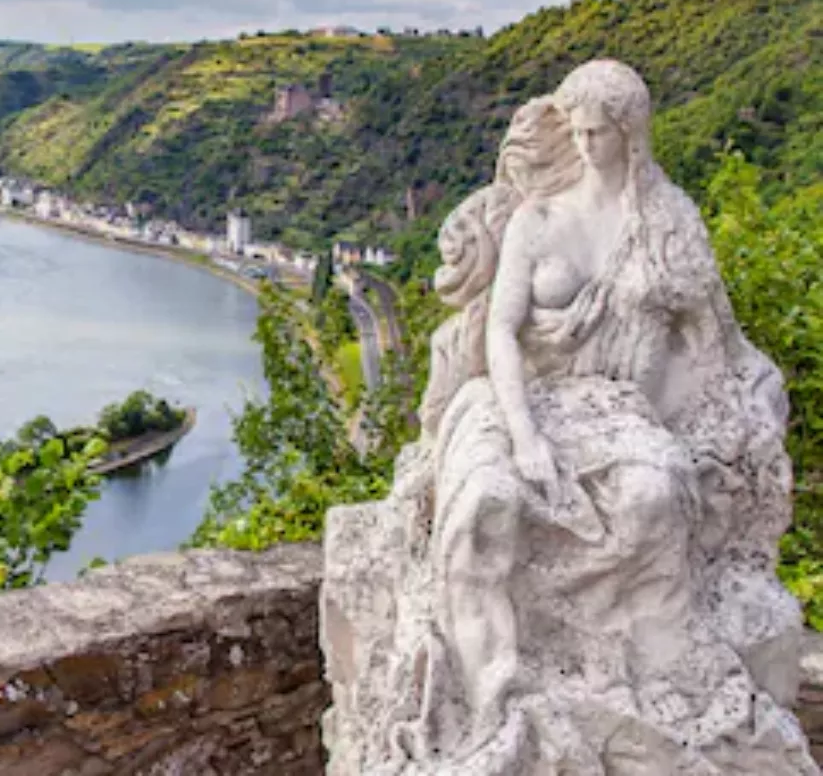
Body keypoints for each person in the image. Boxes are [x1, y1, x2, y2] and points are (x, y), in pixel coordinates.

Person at [323, 60, 815, 775]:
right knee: (485, 503)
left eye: (597, 133)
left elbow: (711, 338)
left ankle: (624, 667)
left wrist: (725, 419)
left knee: (653, 494)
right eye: (575, 130)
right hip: (514, 399)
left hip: (617, 410)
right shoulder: (538, 219)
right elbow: (498, 334)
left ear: (629, 134)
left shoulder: (666, 222)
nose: (583, 146)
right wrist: (524, 436)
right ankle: (491, 698)